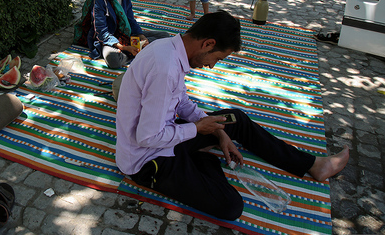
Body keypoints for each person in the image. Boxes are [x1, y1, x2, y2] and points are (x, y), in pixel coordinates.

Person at [115, 11, 349, 220]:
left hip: (165, 133)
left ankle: (313, 165)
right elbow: (147, 137)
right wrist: (197, 129)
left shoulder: (170, 49)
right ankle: (202, 159)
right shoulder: (165, 67)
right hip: (147, 160)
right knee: (230, 206)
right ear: (208, 43)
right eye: (217, 59)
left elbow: (182, 102)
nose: (212, 66)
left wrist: (217, 131)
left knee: (234, 119)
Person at [73, 0, 170, 69]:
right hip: (108, 40)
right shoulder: (100, 0)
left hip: (125, 34)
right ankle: (139, 51)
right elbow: (101, 31)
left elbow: (130, 20)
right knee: (113, 60)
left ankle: (140, 49)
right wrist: (123, 47)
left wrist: (141, 36)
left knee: (165, 35)